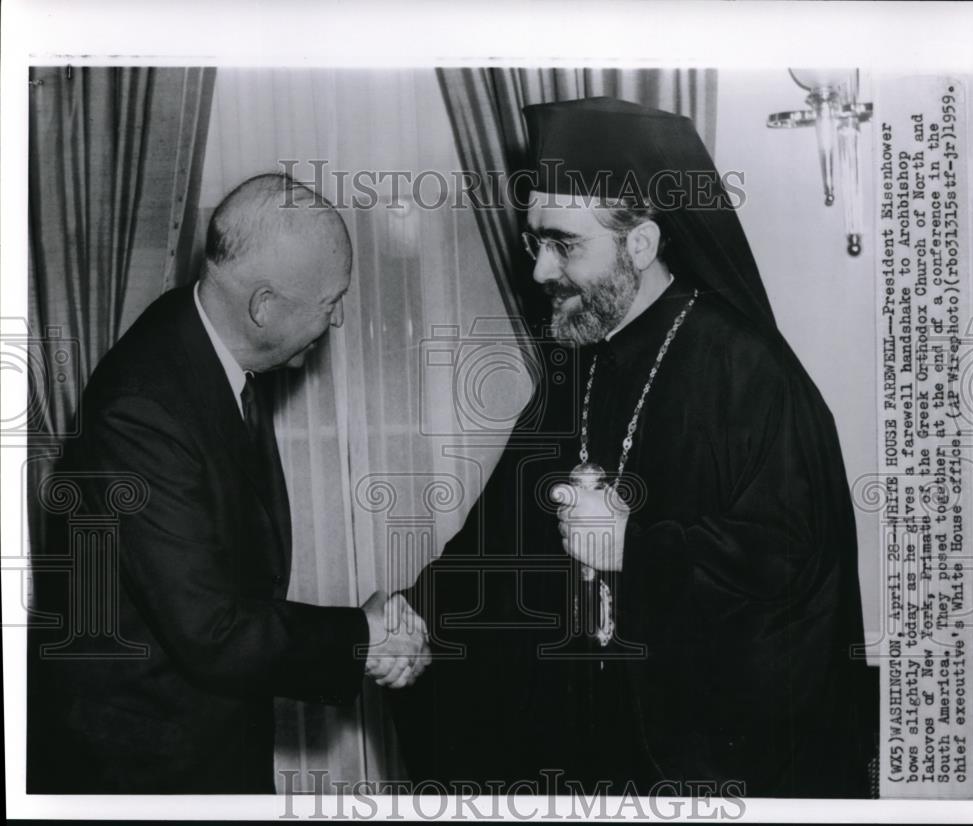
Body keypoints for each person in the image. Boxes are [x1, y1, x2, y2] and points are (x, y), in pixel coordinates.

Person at [394, 98, 877, 798]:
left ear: (642, 244)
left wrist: (635, 550)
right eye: (536, 243)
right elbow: (504, 532)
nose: (538, 273)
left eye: (564, 244)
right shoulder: (582, 361)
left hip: (695, 766)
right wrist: (416, 616)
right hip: (591, 745)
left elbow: (790, 574)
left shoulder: (747, 373)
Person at [27, 174, 428, 794]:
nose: (339, 317)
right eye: (330, 301)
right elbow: (212, 631)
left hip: (203, 738)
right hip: (145, 772)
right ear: (264, 305)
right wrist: (365, 634)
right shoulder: (143, 411)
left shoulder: (205, 349)